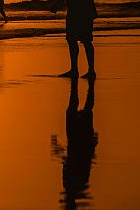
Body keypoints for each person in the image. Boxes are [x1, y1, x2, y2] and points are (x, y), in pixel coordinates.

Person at [51, 77, 98, 208]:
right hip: (80, 142)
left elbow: (69, 162)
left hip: (77, 142)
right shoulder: (80, 183)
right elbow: (76, 161)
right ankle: (83, 86)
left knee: (78, 110)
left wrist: (58, 148)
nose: (64, 196)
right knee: (83, 110)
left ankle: (80, 86)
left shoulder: (74, 183)